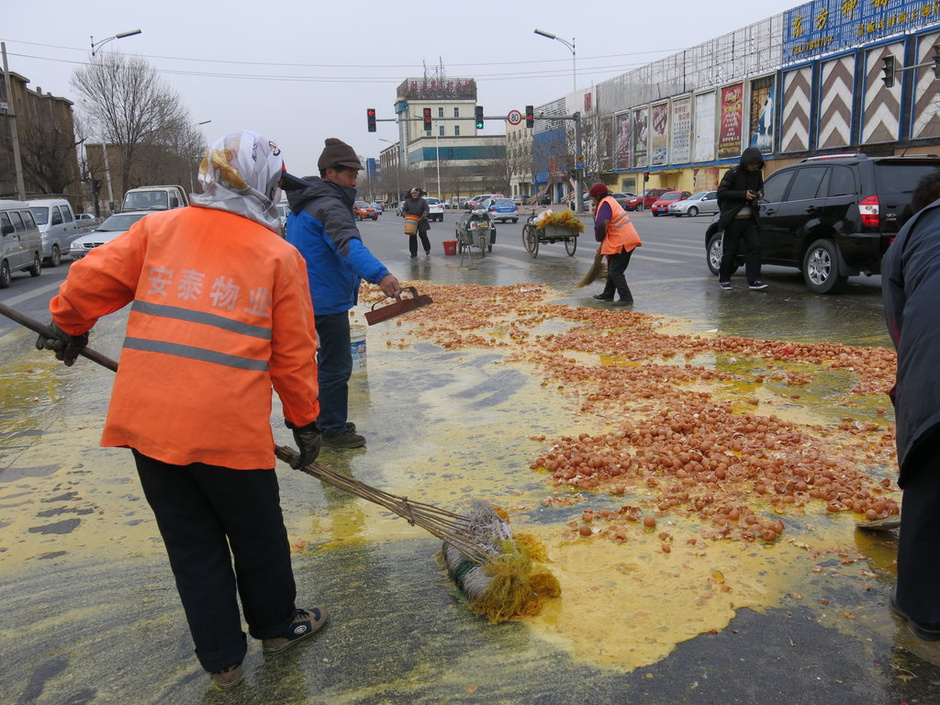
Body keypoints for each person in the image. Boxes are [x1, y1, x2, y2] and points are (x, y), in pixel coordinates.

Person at [35, 131, 327, 690]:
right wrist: (305, 421)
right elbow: (293, 356)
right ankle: (275, 627)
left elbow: (90, 280)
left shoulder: (157, 230)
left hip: (150, 425)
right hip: (227, 432)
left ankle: (223, 664)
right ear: (262, 185)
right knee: (257, 535)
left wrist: (69, 325)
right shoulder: (278, 256)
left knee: (192, 546)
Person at [285, 138, 402, 449]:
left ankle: (321, 420)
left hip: (303, 297)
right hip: (324, 301)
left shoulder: (303, 204)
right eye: (350, 175)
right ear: (330, 173)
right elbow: (349, 246)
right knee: (335, 366)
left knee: (315, 364)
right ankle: (333, 430)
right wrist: (382, 275)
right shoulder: (330, 206)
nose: (354, 182)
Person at [882, 174, 940, 643]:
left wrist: (911, 391)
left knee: (929, 473)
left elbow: (901, 325)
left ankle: (921, 608)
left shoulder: (909, 238)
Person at [716, 146, 767, 291]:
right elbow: (721, 193)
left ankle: (754, 280)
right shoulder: (732, 173)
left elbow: (761, 187)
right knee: (730, 250)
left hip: (750, 218)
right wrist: (743, 195)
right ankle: (724, 279)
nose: (753, 167)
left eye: (756, 165)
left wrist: (760, 193)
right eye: (751, 164)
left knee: (755, 247)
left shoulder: (757, 174)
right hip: (733, 219)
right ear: (745, 162)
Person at [589, 182, 642, 306]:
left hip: (624, 241)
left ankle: (626, 298)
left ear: (597, 196)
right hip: (620, 240)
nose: (592, 200)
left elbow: (600, 224)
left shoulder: (605, 204)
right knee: (612, 268)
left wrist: (599, 238)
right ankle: (608, 294)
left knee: (615, 271)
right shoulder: (609, 201)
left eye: (592, 198)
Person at [401, 186, 431, 257]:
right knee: (412, 237)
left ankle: (427, 249)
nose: (415, 195)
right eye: (413, 193)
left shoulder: (423, 201)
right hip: (411, 221)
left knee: (423, 235)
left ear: (418, 194)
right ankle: (413, 253)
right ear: (411, 194)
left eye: (416, 193)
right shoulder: (408, 201)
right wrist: (405, 215)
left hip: (421, 220)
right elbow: (404, 210)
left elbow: (426, 209)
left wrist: (425, 214)